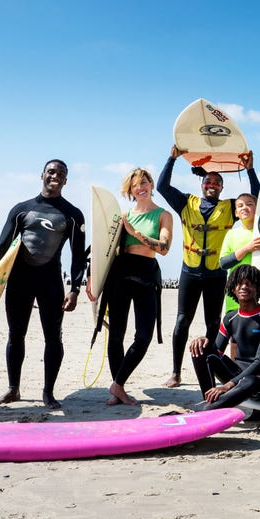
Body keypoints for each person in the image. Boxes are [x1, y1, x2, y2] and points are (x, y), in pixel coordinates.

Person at [157, 146, 259, 387]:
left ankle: (210, 365)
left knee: (214, 324)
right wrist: (172, 158)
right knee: (182, 321)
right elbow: (162, 187)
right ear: (202, 185)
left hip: (216, 275)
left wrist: (250, 169)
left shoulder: (230, 208)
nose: (212, 184)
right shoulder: (185, 204)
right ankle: (176, 372)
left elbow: (257, 198)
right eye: (208, 181)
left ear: (222, 187)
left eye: (217, 182)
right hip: (190, 272)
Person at [0, 159, 86, 410]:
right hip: (19, 280)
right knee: (15, 335)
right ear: (42, 175)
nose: (55, 176)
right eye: (51, 171)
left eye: (61, 174)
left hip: (50, 281)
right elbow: (2, 245)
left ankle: (48, 392)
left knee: (53, 338)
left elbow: (78, 256)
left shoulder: (73, 215)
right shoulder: (22, 209)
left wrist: (75, 289)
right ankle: (13, 388)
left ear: (66, 180)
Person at [96, 167, 173, 406]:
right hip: (120, 274)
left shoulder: (163, 215)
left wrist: (135, 233)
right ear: (130, 190)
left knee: (143, 336)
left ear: (151, 185)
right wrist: (95, 285)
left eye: (144, 182)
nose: (140, 187)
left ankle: (117, 384)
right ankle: (118, 389)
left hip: (146, 275)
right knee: (116, 335)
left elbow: (163, 248)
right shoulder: (124, 216)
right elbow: (104, 252)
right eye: (135, 185)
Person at [188, 264, 260, 409]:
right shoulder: (230, 318)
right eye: (239, 283)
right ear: (232, 288)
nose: (243, 287)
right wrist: (204, 340)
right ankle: (209, 399)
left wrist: (228, 385)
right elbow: (216, 353)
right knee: (200, 348)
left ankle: (207, 409)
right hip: (236, 373)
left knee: (249, 381)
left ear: (258, 288)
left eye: (249, 283)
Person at [217, 193, 260, 312]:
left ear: (257, 208)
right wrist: (246, 248)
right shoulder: (232, 234)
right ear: (236, 213)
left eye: (249, 204)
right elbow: (223, 263)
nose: (244, 207)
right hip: (236, 295)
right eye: (240, 205)